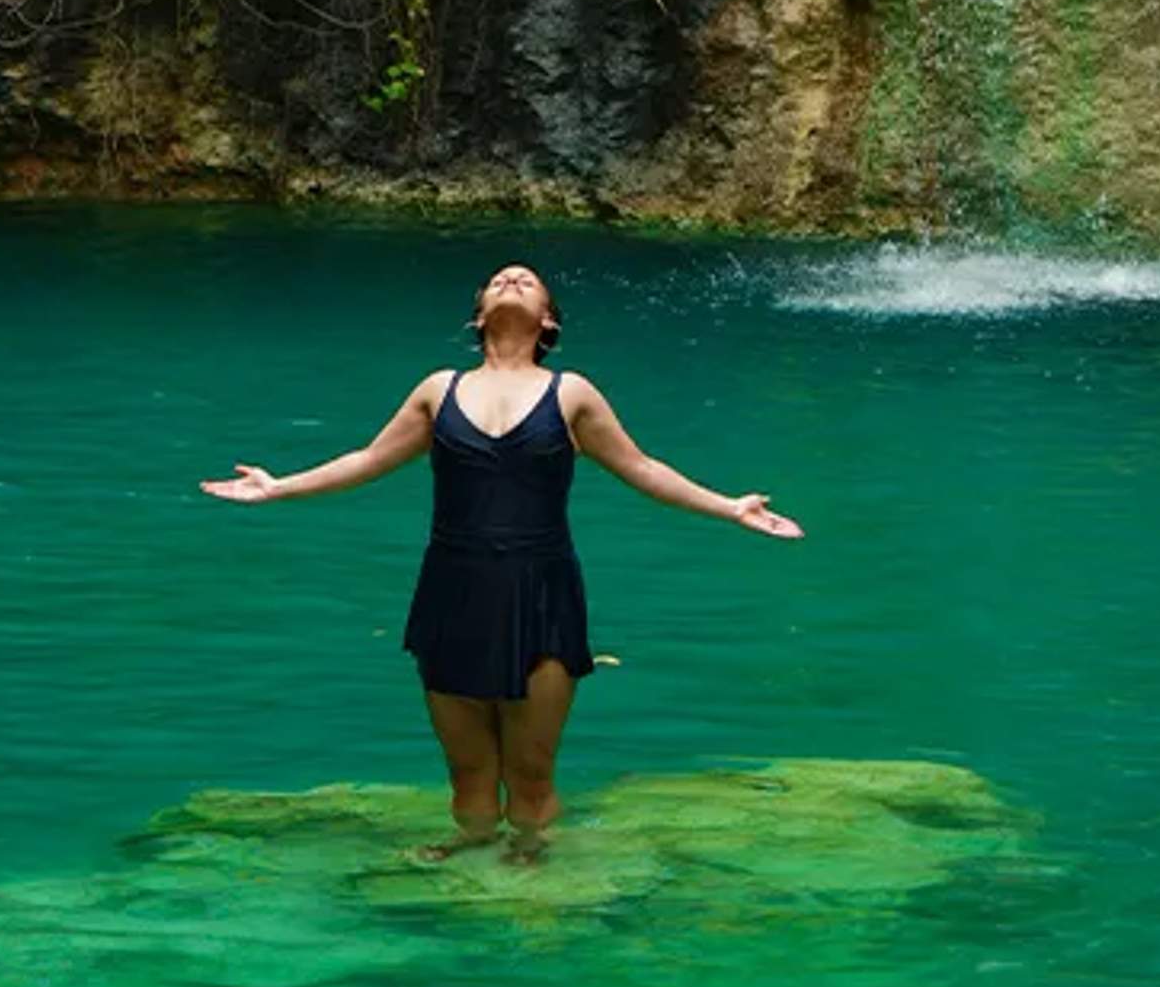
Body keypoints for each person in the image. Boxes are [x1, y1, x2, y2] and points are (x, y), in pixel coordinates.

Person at [200, 263, 802, 861]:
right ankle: (473, 840)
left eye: (528, 280)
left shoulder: (571, 394)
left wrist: (730, 507)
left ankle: (533, 851)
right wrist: (280, 487)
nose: (511, 278)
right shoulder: (439, 390)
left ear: (548, 320)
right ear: (479, 315)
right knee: (467, 768)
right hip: (451, 589)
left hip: (541, 592)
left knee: (532, 767)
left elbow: (641, 468)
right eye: (496, 280)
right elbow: (369, 458)